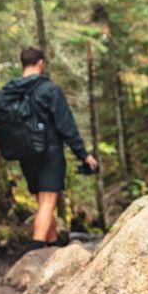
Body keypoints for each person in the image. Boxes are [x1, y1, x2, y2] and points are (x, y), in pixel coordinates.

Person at [6, 46, 98, 248]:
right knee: (48, 201)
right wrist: (83, 155)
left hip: (25, 153)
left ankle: (53, 244)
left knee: (43, 201)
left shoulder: (11, 91)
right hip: (49, 153)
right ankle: (35, 250)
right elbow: (66, 126)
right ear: (40, 63)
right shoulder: (49, 89)